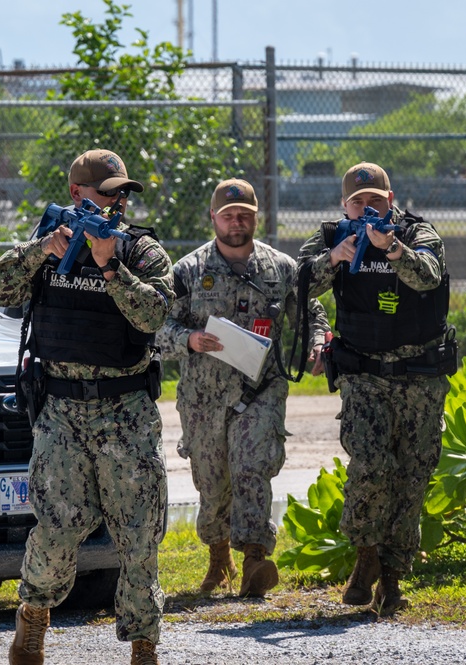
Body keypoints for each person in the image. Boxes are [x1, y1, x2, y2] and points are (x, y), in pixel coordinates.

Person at [0, 148, 174, 665]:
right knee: (58, 530)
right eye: (108, 192)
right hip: (62, 411)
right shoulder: (47, 245)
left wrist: (112, 269)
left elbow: (155, 314)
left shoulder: (141, 252)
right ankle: (33, 618)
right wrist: (42, 250)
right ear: (77, 194)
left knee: (139, 534)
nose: (117, 202)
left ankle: (143, 646)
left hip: (124, 410)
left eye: (122, 194)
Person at [157, 178, 329, 599]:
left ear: (257, 218)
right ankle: (220, 558)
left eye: (245, 215)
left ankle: (255, 558)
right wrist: (189, 340)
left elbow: (310, 313)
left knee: (253, 466)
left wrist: (317, 342)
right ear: (213, 218)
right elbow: (157, 327)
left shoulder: (280, 268)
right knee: (213, 482)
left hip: (260, 391)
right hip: (204, 397)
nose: (237, 222)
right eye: (229, 215)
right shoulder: (188, 271)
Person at [296, 162, 455, 614]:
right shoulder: (332, 237)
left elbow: (429, 275)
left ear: (391, 198)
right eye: (358, 202)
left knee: (412, 474)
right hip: (364, 376)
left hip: (419, 377)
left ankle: (393, 576)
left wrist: (394, 250)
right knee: (370, 464)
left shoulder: (418, 234)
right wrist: (335, 259)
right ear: (345, 204)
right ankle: (365, 558)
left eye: (376, 201)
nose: (368, 210)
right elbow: (296, 283)